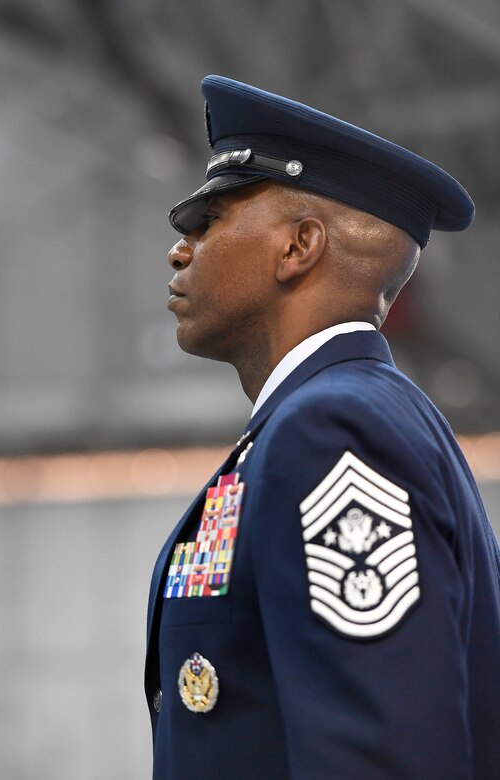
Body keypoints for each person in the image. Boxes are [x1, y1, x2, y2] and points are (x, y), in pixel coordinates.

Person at [144, 76, 500, 780]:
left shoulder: (334, 428)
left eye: (208, 222)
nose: (179, 250)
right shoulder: (334, 418)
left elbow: (381, 755)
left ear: (299, 247)